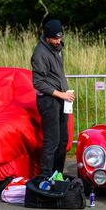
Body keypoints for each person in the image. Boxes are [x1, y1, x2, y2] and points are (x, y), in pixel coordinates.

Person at [31, 19, 74, 177]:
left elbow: (57, 74)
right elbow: (38, 83)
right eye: (55, 38)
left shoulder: (57, 48)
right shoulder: (40, 54)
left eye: (60, 37)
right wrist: (61, 93)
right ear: (47, 37)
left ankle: (58, 175)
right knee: (52, 141)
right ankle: (46, 177)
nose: (58, 41)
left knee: (63, 140)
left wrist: (65, 91)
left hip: (61, 98)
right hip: (48, 101)